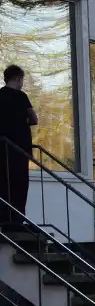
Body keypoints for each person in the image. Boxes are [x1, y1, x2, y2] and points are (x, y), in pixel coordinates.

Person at [0, 65, 36, 230]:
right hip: (20, 148)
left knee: (3, 182)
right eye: (22, 79)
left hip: (2, 148)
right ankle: (17, 219)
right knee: (20, 183)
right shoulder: (21, 97)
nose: (22, 83)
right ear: (17, 78)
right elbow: (33, 118)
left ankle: (3, 216)